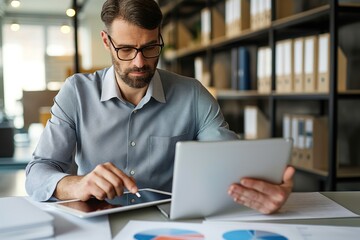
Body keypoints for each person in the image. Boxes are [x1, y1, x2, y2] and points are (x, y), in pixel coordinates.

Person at [25, 0, 295, 214]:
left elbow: (229, 164)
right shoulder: (77, 92)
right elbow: (38, 172)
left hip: (170, 226)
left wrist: (263, 190)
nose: (140, 62)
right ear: (107, 42)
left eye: (150, 47)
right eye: (127, 50)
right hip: (97, 225)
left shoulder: (192, 94)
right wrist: (76, 184)